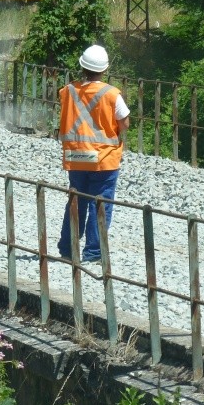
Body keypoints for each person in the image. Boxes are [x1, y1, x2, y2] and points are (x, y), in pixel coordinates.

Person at [57, 44, 130, 263]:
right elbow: (124, 123)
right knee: (100, 203)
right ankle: (93, 253)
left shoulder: (67, 91)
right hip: (103, 160)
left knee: (75, 201)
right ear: (105, 69)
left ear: (82, 66)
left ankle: (68, 250)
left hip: (76, 156)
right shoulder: (112, 94)